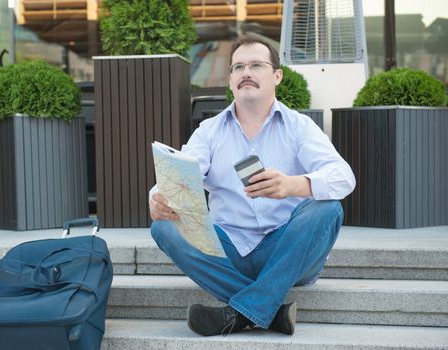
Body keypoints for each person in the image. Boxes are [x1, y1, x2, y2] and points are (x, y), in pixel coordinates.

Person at [149, 34, 355, 337]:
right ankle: (267, 310)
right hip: (229, 250)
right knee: (163, 227)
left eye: (256, 65)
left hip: (288, 249)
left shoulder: (299, 126)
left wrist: (293, 185)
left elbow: (344, 176)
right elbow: (180, 174)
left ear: (277, 76)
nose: (246, 73)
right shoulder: (208, 132)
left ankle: (241, 312)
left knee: (327, 209)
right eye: (238, 67)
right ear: (231, 80)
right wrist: (159, 198)